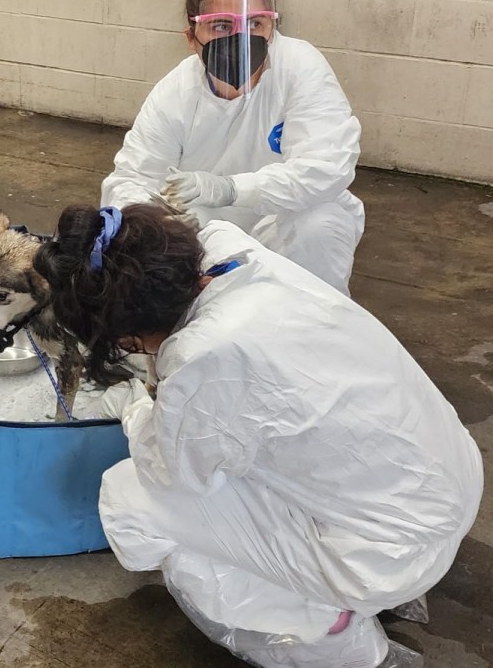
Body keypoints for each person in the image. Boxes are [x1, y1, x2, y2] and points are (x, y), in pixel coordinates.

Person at [33, 204, 483, 668]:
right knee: (251, 460)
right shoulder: (236, 254)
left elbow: (175, 476)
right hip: (450, 479)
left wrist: (137, 409)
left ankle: (341, 643)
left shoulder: (205, 356)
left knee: (130, 500)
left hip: (390, 551)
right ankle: (387, 594)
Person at [102, 0, 364, 295]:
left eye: (256, 23)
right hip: (206, 230)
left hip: (282, 223)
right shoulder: (176, 93)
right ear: (192, 39)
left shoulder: (300, 68)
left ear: (273, 25)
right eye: (222, 25)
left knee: (320, 223)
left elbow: (325, 168)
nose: (242, 39)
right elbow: (132, 180)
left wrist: (230, 189)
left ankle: (311, 327)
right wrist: (159, 224)